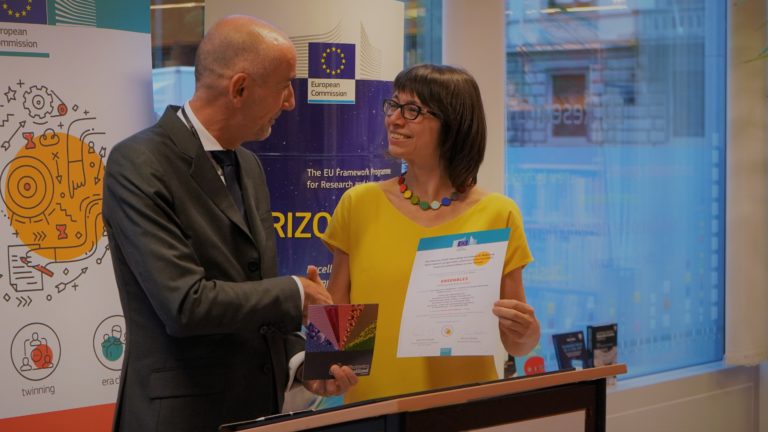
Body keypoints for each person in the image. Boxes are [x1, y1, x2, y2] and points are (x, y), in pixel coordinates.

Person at [102, 15, 357, 432]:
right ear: (240, 88)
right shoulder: (139, 162)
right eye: (285, 86)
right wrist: (296, 293)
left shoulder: (249, 165)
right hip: (181, 418)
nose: (291, 102)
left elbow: (255, 287)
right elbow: (185, 305)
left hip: (257, 414)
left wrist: (302, 364)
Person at [321, 64, 540, 404]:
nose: (394, 119)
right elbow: (338, 317)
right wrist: (325, 363)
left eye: (412, 110)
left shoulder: (499, 214)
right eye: (393, 105)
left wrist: (527, 332)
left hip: (464, 408)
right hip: (376, 410)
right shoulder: (359, 204)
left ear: (453, 124)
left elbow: (516, 342)